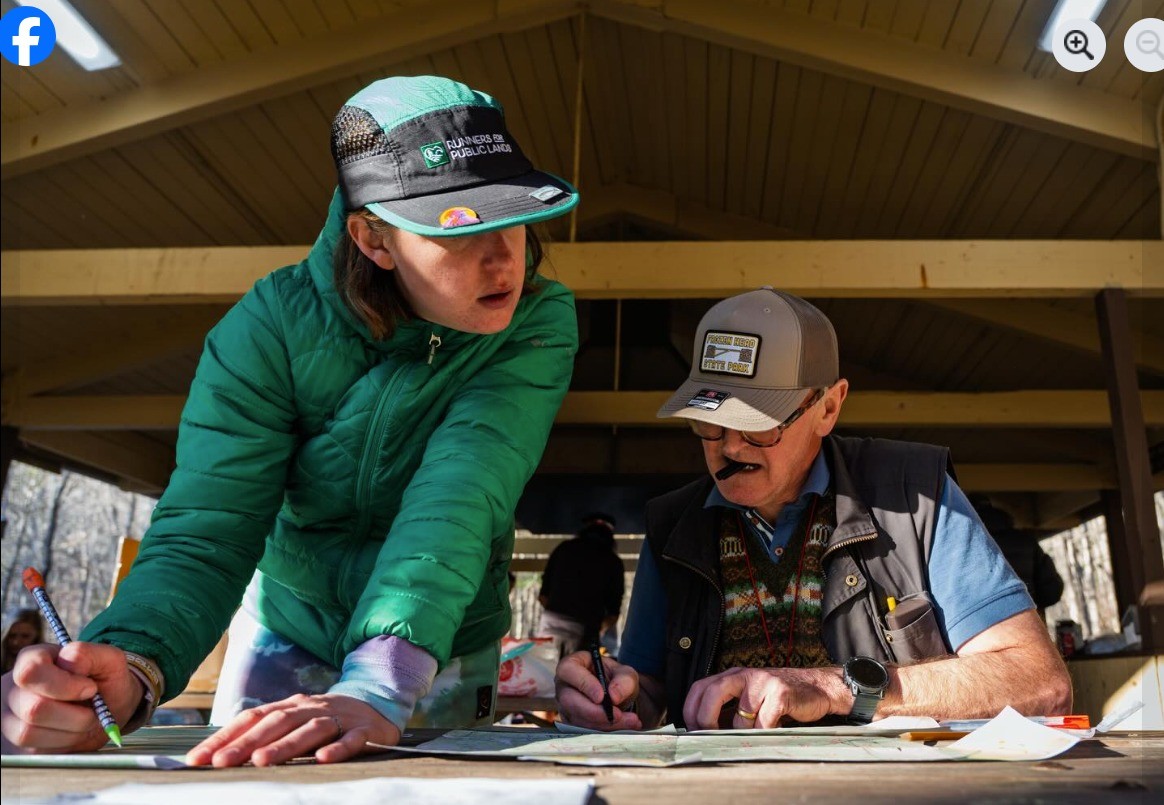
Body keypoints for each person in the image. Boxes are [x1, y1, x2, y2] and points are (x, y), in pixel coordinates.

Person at [2, 75, 580, 765]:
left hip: (442, 639)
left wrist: (378, 682)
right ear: (374, 239)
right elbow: (208, 529)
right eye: (457, 229)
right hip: (285, 626)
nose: (503, 256)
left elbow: (460, 495)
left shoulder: (538, 321)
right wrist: (133, 663)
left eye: (510, 215)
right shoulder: (269, 327)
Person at [555, 287, 1072, 731]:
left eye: (758, 422)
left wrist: (837, 687)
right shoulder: (673, 527)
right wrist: (614, 697)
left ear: (828, 406)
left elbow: (1039, 681)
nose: (730, 448)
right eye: (708, 422)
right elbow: (649, 691)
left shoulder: (915, 496)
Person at [537, 513, 626, 658]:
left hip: (550, 626)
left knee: (544, 674)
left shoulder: (563, 549)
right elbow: (613, 614)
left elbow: (542, 596)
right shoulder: (612, 561)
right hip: (584, 632)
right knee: (574, 678)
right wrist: (597, 630)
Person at [972, 498, 1065, 618]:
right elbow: (1051, 591)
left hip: (985, 626)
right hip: (1027, 619)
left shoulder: (968, 546)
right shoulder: (1027, 541)